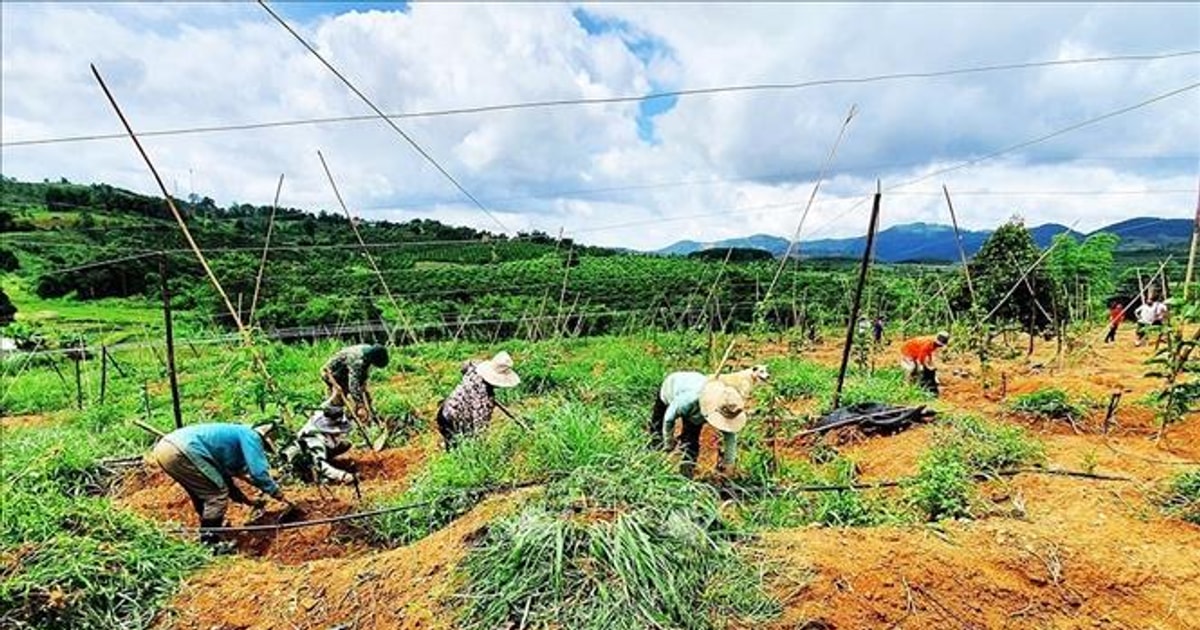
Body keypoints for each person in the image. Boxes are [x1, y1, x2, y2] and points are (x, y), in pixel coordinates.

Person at [150, 422, 289, 548]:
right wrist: (277, 493)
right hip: (184, 450)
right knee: (216, 495)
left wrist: (247, 501)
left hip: (165, 449)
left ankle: (210, 534)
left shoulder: (230, 440)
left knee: (202, 493)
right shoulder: (251, 435)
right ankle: (210, 542)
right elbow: (258, 473)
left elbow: (227, 480)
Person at [649, 372, 747, 478]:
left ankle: (685, 476)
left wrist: (729, 464)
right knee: (657, 428)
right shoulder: (689, 400)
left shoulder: (726, 406)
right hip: (672, 387)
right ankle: (651, 458)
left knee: (691, 441)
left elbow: (730, 437)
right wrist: (669, 443)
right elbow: (668, 419)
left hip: (695, 412)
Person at [436, 351, 521, 450]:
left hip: (445, 409)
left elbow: (466, 365)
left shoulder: (475, 367)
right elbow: (479, 427)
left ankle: (447, 443)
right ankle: (449, 449)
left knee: (453, 438)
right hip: (452, 420)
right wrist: (483, 448)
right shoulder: (482, 398)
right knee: (458, 447)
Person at [283, 405, 355, 485]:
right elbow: (319, 464)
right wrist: (343, 476)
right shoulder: (315, 439)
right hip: (300, 459)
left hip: (316, 450)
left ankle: (328, 461)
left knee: (344, 444)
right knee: (319, 472)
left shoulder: (325, 414)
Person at [321, 344, 389, 423]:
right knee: (338, 400)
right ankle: (330, 421)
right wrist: (360, 405)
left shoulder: (368, 352)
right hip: (332, 374)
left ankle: (372, 416)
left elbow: (364, 372)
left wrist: (364, 386)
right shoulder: (356, 359)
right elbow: (353, 384)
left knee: (365, 395)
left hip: (345, 371)